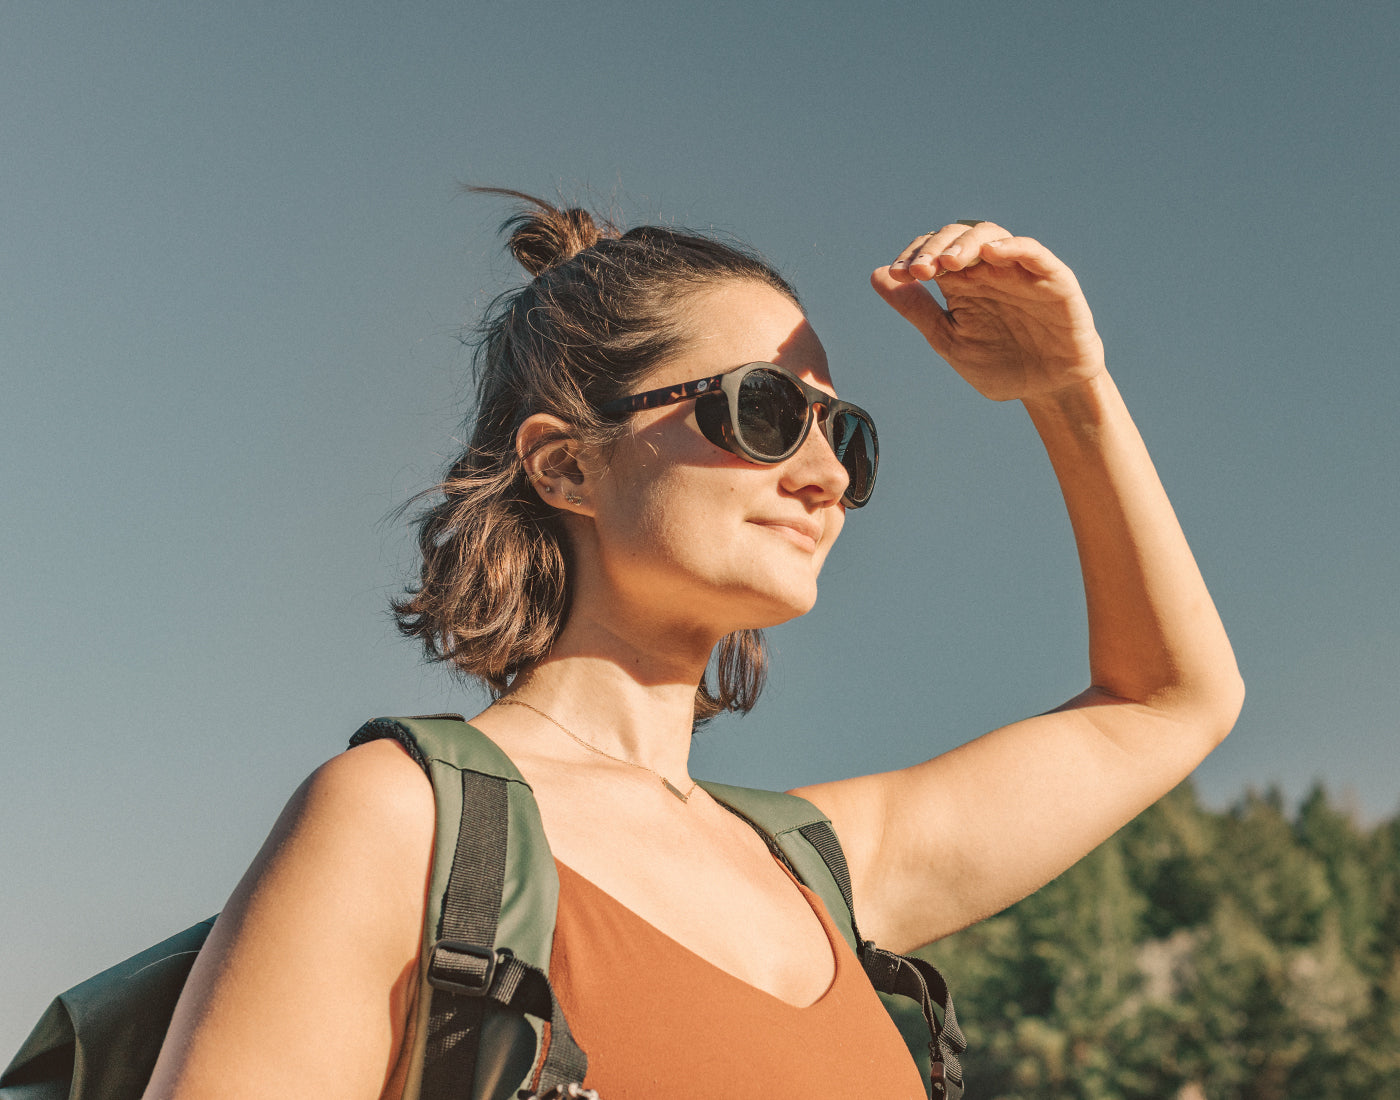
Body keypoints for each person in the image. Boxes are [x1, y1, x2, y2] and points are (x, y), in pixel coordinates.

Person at [141, 192, 1244, 1099]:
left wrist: (1067, 390)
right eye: (761, 411)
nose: (822, 478)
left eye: (840, 435)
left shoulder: (822, 869)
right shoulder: (403, 821)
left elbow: (1168, 701)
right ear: (566, 463)